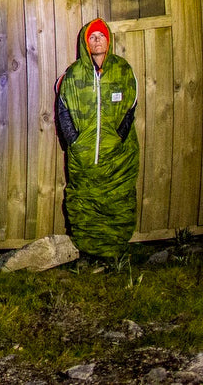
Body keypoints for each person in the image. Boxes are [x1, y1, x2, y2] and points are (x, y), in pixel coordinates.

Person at [55, 17, 139, 258]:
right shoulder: (73, 75)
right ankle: (88, 251)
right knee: (84, 199)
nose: (97, 40)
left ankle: (115, 250)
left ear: (109, 40)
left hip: (118, 158)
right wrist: (76, 142)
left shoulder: (123, 70)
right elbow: (63, 110)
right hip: (84, 156)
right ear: (85, 43)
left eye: (101, 36)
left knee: (117, 200)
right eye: (92, 37)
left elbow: (131, 106)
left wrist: (118, 139)